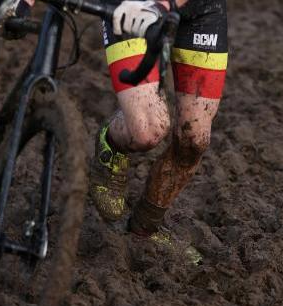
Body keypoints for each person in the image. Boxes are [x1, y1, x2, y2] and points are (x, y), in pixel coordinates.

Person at [91, 0, 228, 264]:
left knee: (194, 139)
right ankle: (111, 143)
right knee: (147, 131)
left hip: (198, 8)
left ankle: (145, 228)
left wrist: (164, 4)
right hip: (133, 5)